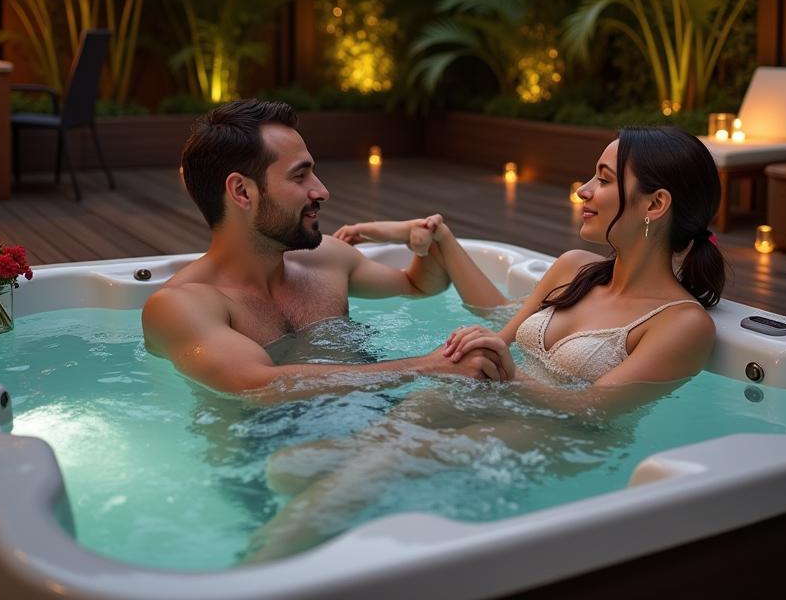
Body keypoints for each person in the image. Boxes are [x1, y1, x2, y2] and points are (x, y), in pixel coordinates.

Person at [246, 125, 727, 560]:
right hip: (503, 402)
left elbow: (595, 409)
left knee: (391, 458)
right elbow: (501, 326)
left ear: (656, 204)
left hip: (568, 437)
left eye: (603, 179)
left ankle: (255, 576)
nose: (583, 189)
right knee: (295, 464)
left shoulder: (679, 323)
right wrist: (476, 344)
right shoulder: (574, 267)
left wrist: (509, 377)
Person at [142, 99, 509, 397]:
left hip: (380, 414)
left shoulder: (327, 259)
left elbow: (420, 285)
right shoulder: (179, 305)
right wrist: (430, 367)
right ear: (242, 192)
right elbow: (254, 384)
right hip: (267, 457)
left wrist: (417, 235)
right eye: (300, 176)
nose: (321, 190)